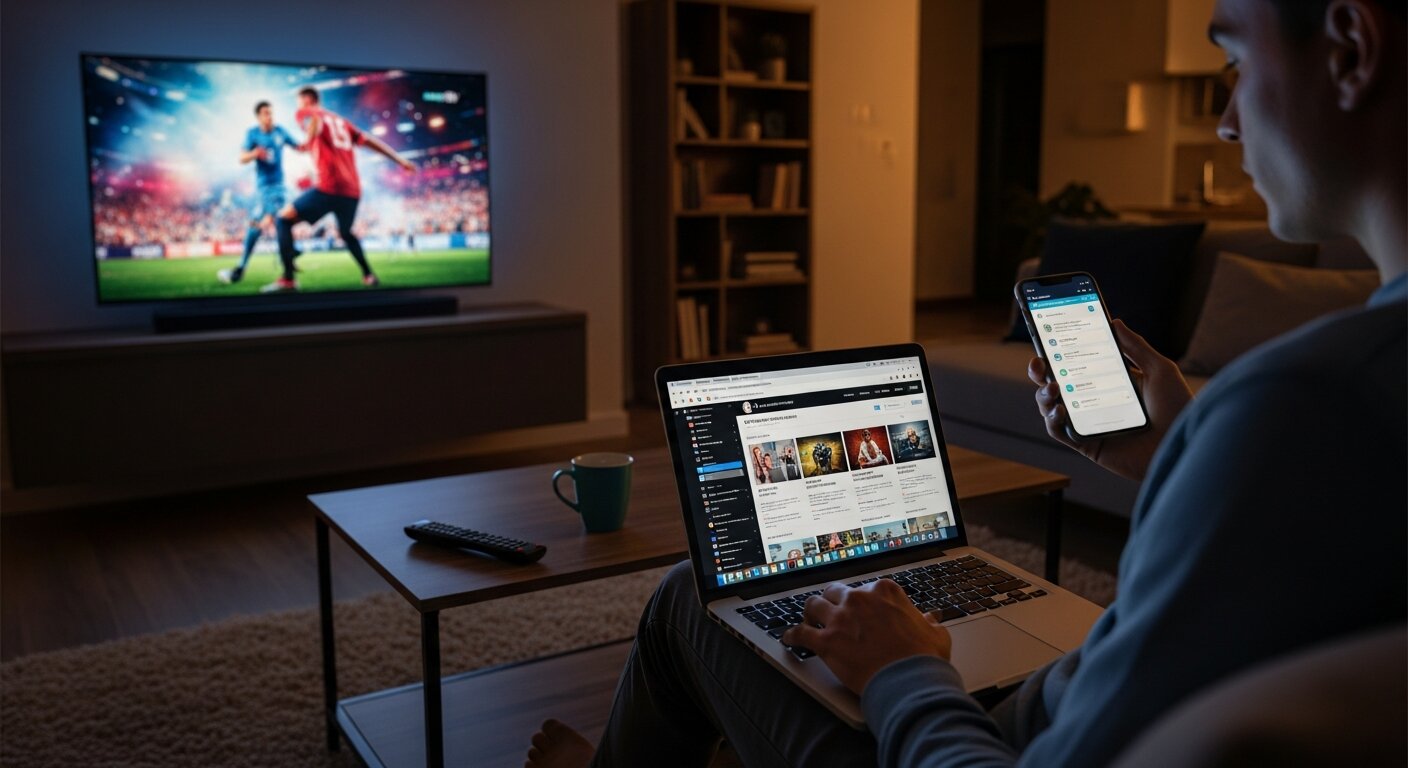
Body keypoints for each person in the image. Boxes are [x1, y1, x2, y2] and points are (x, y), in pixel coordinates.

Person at [525, 1, 1406, 765]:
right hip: (1020, 714)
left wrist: (905, 672)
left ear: (1348, 49)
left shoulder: (1312, 406)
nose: (1222, 119)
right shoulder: (1331, 406)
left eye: (1235, 60)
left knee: (690, 596)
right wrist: (1186, 451)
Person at [261, 87, 416, 293]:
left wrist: (309, 138)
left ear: (307, 100)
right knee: (345, 232)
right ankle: (368, 274)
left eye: (299, 102)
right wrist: (399, 159)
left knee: (283, 219)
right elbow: (369, 140)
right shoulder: (341, 121)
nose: (298, 107)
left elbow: (312, 127)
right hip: (351, 191)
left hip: (329, 187)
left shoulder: (307, 113)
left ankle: (288, 279)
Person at [219, 101, 300, 285]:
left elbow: (299, 146)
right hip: (263, 188)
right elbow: (241, 158)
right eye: (265, 113)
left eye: (271, 113)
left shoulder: (280, 131)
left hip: (279, 187)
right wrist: (255, 153)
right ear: (258, 116)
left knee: (263, 222)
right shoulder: (252, 134)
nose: (269, 116)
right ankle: (289, 253)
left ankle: (244, 268)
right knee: (260, 224)